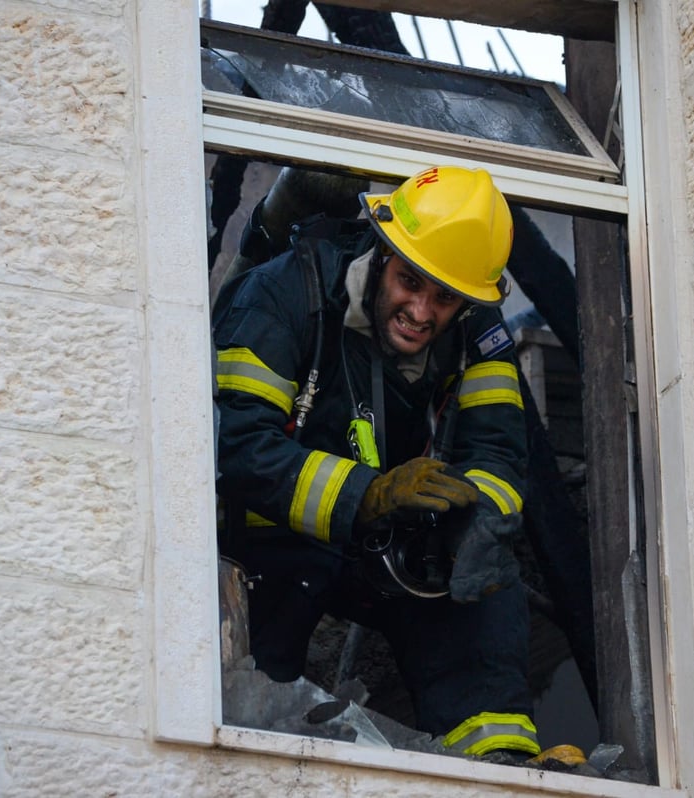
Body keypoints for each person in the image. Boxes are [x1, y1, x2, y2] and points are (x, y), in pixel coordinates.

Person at [212, 165, 542, 760]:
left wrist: (474, 525)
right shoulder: (281, 293)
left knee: (486, 582)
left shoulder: (474, 325)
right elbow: (235, 450)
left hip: (381, 546)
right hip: (271, 540)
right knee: (257, 699)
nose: (421, 311)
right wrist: (368, 495)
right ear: (381, 248)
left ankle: (499, 762)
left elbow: (496, 449)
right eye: (410, 282)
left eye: (444, 298)